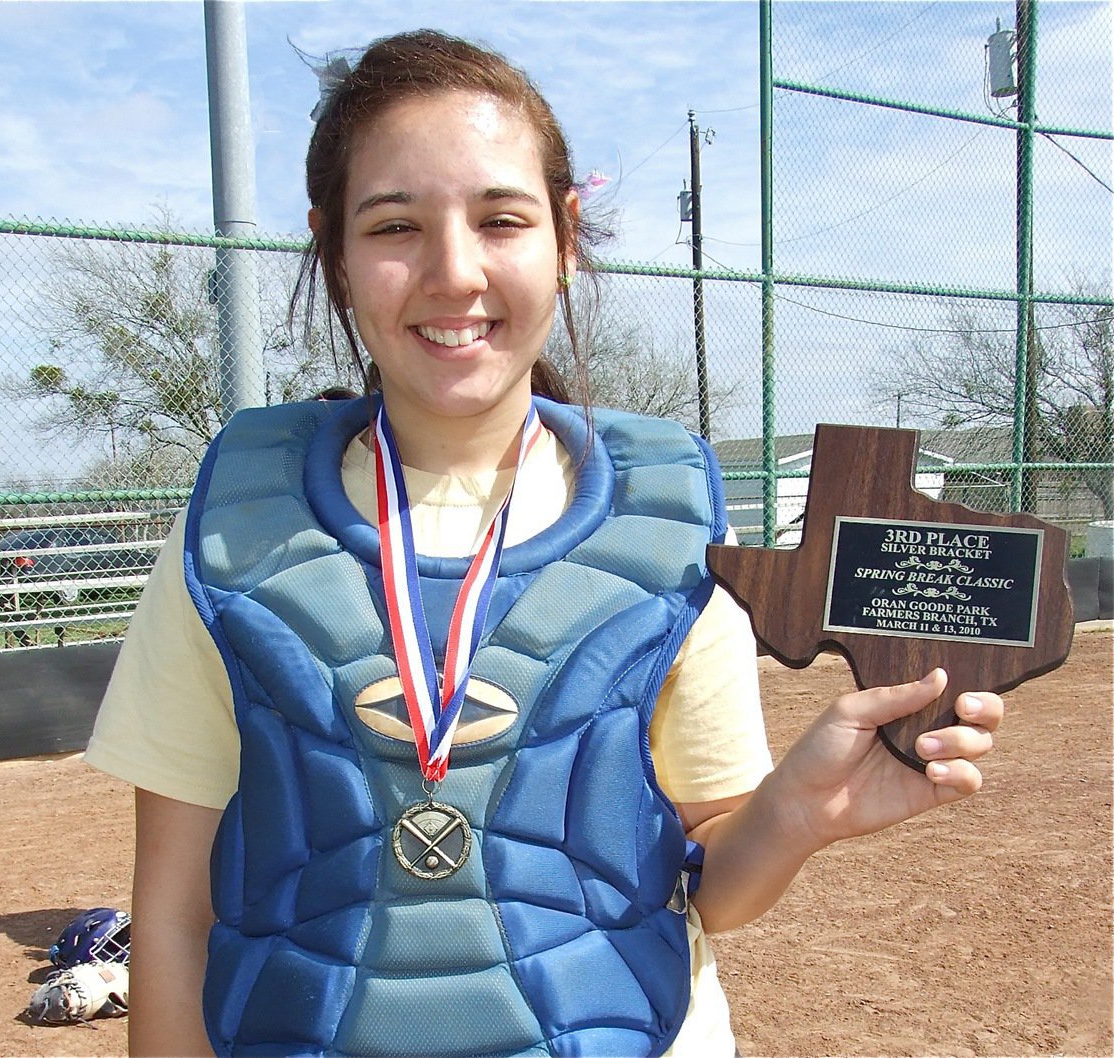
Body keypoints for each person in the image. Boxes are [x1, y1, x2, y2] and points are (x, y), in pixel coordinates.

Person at [84, 29, 1003, 1058]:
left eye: (501, 218)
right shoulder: (238, 527)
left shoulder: (668, 520)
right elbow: (169, 916)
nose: (453, 271)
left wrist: (796, 809)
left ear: (564, 237)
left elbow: (717, 883)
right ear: (332, 250)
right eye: (394, 225)